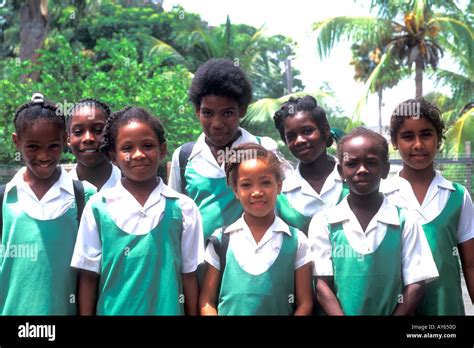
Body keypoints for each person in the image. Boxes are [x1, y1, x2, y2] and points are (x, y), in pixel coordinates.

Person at [71, 107, 204, 315]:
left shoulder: (184, 208)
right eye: (127, 148)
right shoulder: (97, 207)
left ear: (163, 149)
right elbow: (88, 277)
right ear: (113, 156)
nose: (139, 154)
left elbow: (189, 275)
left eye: (148, 145)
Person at [309, 127, 438, 315]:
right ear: (341, 171)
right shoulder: (324, 222)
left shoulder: (405, 221)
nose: (362, 170)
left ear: (385, 169)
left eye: (371, 162)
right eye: (352, 164)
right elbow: (322, 287)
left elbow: (416, 285)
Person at [0, 93, 96, 315]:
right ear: (17, 142)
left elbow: (92, 272)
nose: (43, 156)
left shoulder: (85, 196)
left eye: (53, 146)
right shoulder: (4, 198)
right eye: (33, 147)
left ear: (65, 140)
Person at [168, 58, 278, 242]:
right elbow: (176, 215)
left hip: (250, 262)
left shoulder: (264, 149)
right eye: (208, 113)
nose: (217, 124)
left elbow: (279, 207)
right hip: (200, 265)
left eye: (227, 113)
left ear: (241, 110)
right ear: (197, 111)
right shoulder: (184, 157)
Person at [382, 99, 474, 315]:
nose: (418, 144)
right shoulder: (381, 196)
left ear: (438, 139)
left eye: (426, 134)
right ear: (395, 142)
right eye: (407, 136)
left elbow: (471, 265)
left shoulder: (457, 196)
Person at [199, 143, 313, 315]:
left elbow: (305, 303)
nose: (257, 192)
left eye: (266, 182)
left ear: (279, 186)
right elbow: (207, 301)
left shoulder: (297, 242)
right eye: (246, 185)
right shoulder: (221, 241)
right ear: (236, 190)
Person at [273, 95, 348, 234]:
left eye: (307, 131)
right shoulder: (281, 194)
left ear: (325, 130)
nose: (299, 140)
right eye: (291, 136)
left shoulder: (353, 179)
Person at [67, 98, 121, 191]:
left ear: (111, 135)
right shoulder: (61, 191)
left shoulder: (130, 186)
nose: (88, 138)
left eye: (98, 130)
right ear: (68, 140)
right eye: (78, 131)